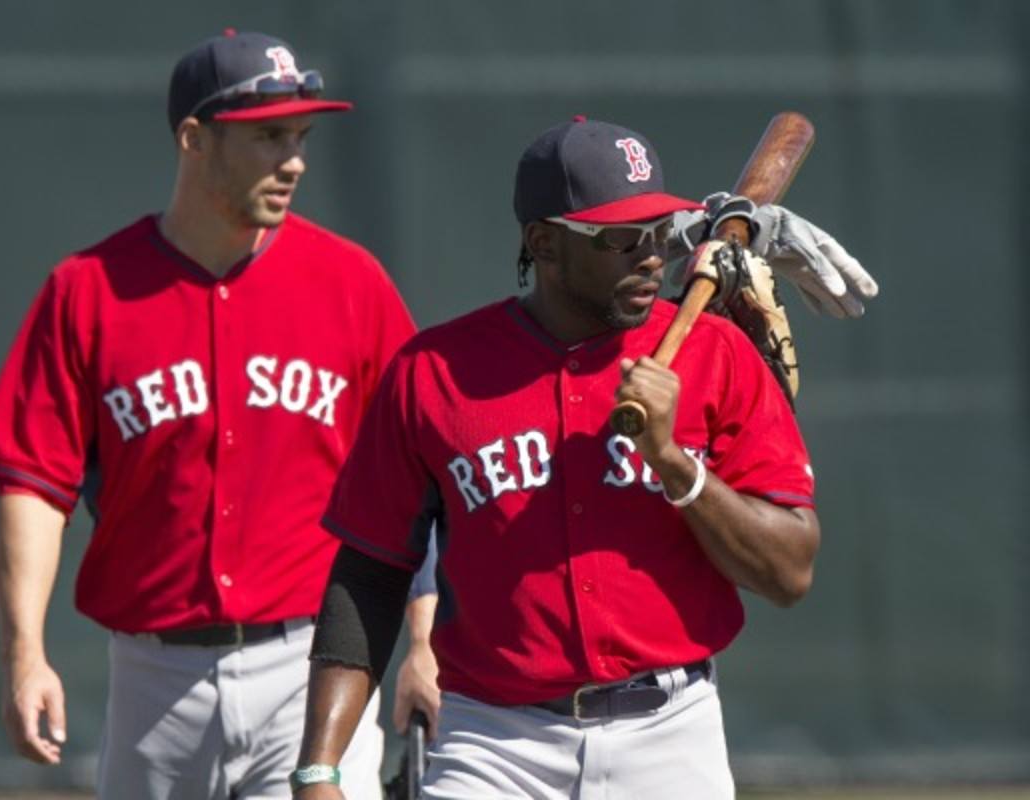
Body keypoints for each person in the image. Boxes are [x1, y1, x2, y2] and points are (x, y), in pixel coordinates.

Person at [290, 117, 863, 798]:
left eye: (658, 232)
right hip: (493, 742)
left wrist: (676, 464)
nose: (651, 257)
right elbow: (370, 573)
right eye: (620, 240)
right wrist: (319, 767)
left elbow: (789, 572)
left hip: (670, 734)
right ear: (544, 243)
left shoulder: (716, 354)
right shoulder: (434, 373)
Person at [0, 28, 424, 800]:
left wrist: (422, 640)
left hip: (313, 661)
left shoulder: (351, 282)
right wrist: (24, 655)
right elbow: (34, 487)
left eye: (302, 136)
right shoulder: (89, 290)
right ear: (194, 139)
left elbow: (417, 483)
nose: (296, 160)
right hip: (154, 678)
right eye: (269, 137)